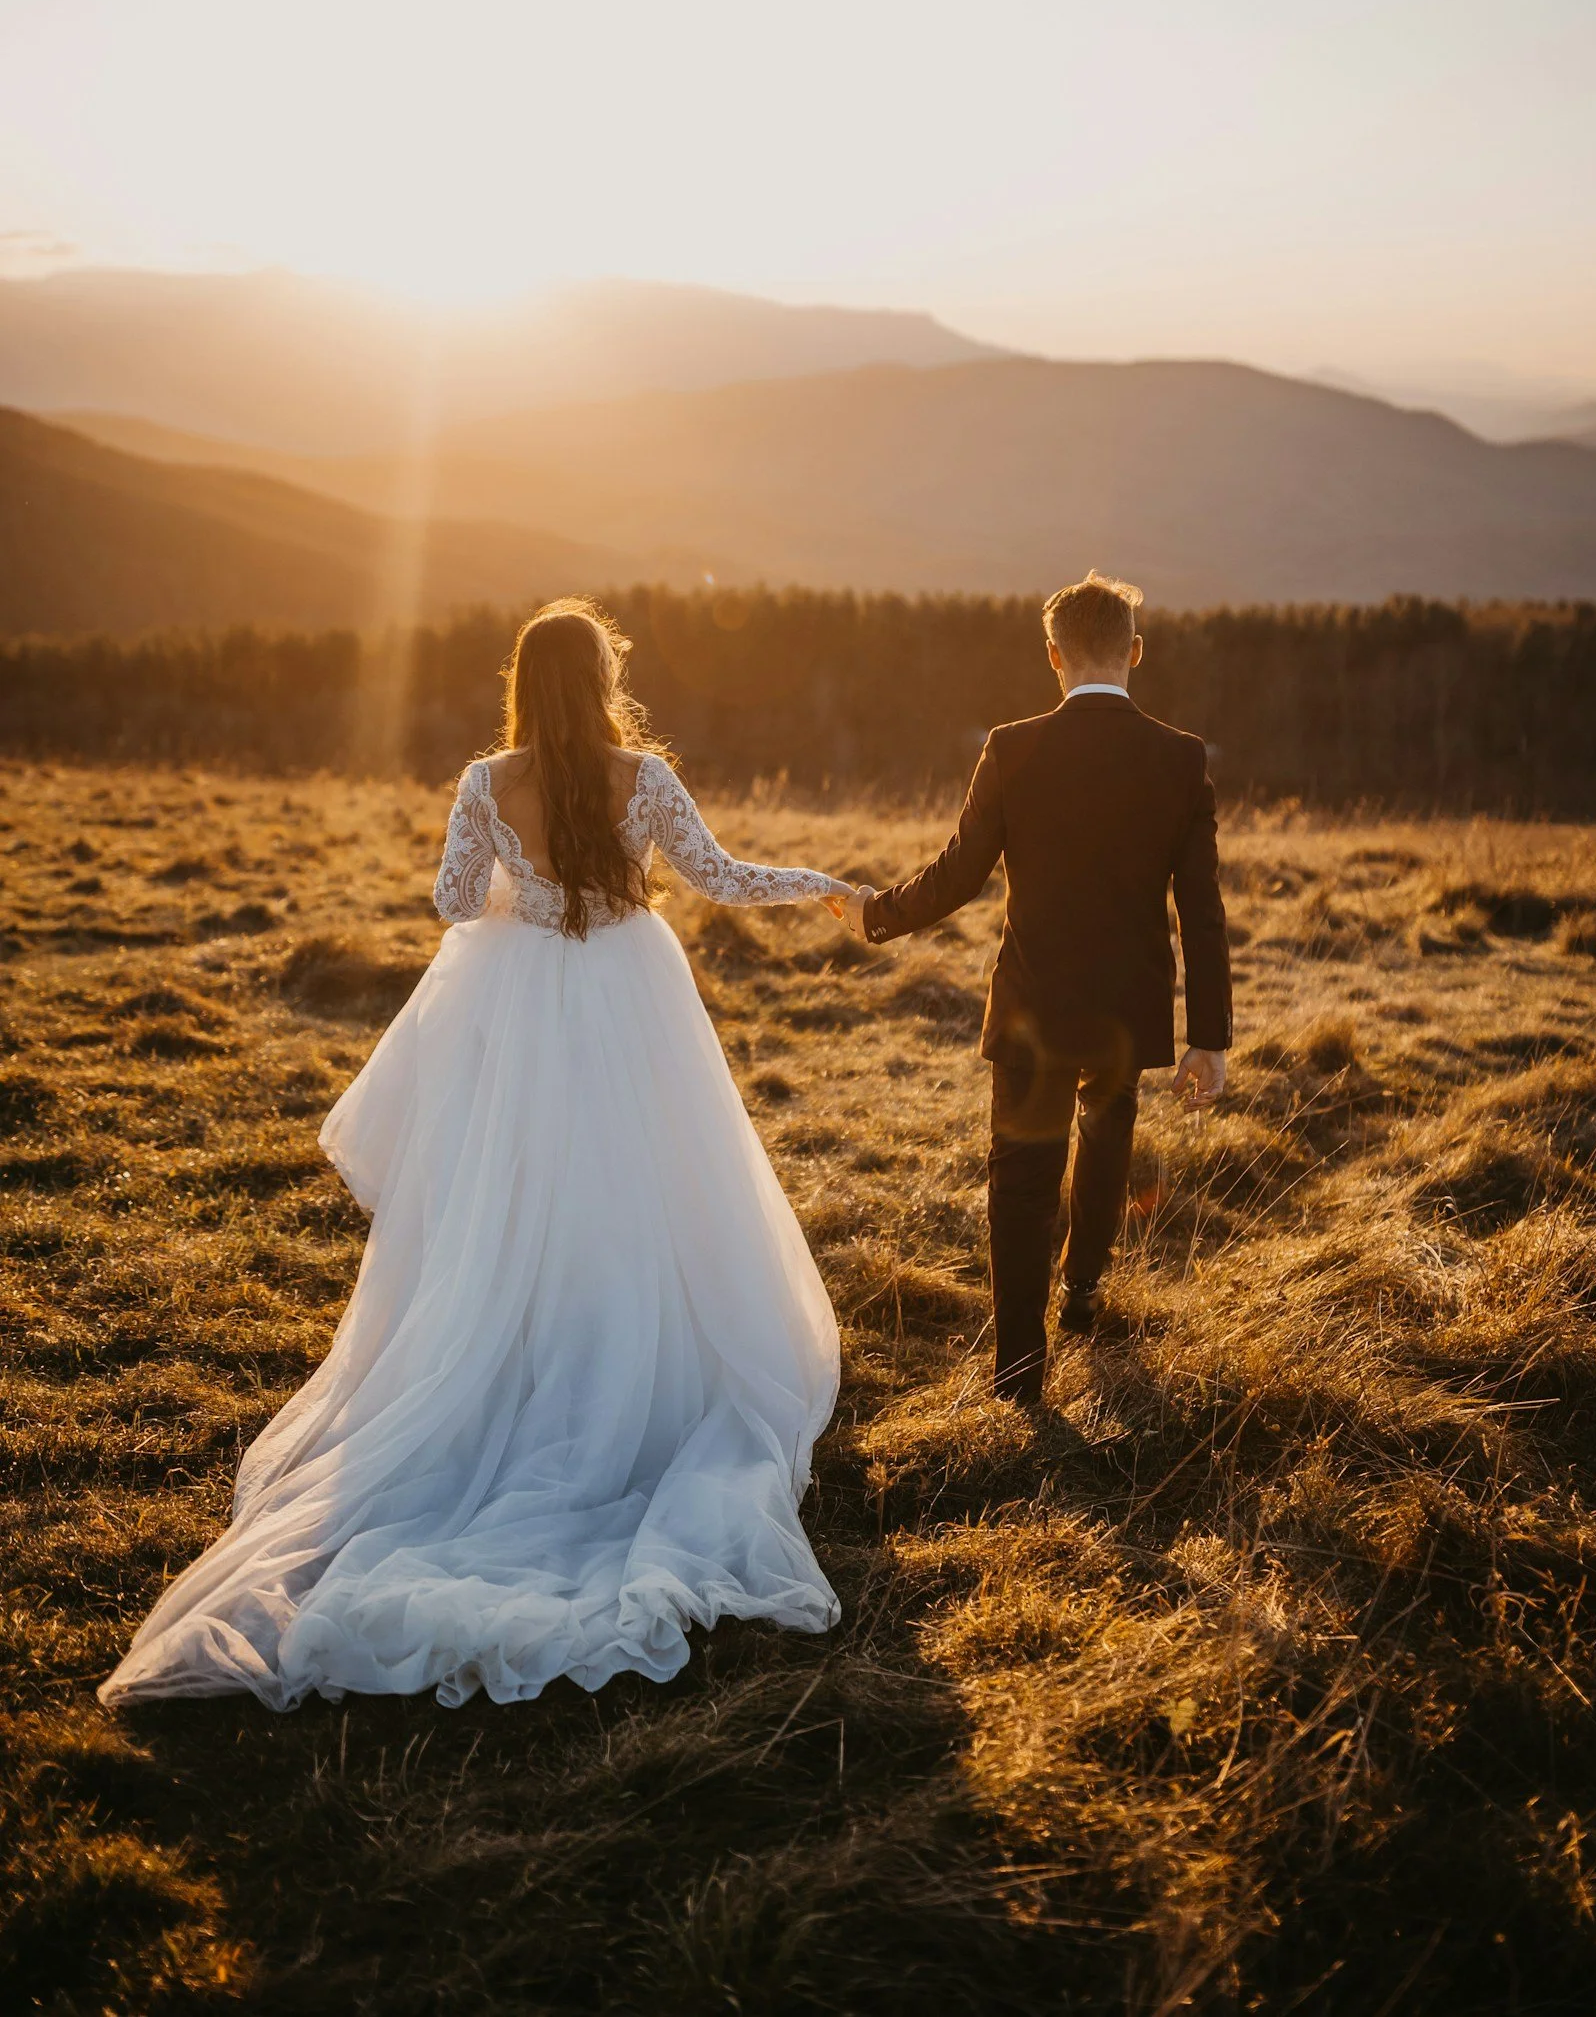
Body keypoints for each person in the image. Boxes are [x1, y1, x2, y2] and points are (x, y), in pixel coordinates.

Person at [101, 600, 854, 1711]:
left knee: (516, 1201)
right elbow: (721, 874)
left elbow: (453, 902)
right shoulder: (639, 773)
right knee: (644, 1187)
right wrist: (826, 887)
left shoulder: (483, 782)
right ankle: (628, 1351)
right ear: (602, 677)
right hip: (630, 991)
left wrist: (519, 888)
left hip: (522, 1002)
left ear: (519, 680)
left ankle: (529, 1345)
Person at [836, 571, 1232, 1404]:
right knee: (1105, 1136)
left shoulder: (1011, 746)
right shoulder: (1180, 757)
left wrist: (874, 915)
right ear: (1134, 651)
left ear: (1052, 655)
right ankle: (1082, 1292)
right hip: (1128, 1010)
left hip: (1030, 1005)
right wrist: (1209, 1038)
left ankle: (1018, 1371)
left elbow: (956, 875)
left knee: (1019, 1180)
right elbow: (1201, 911)